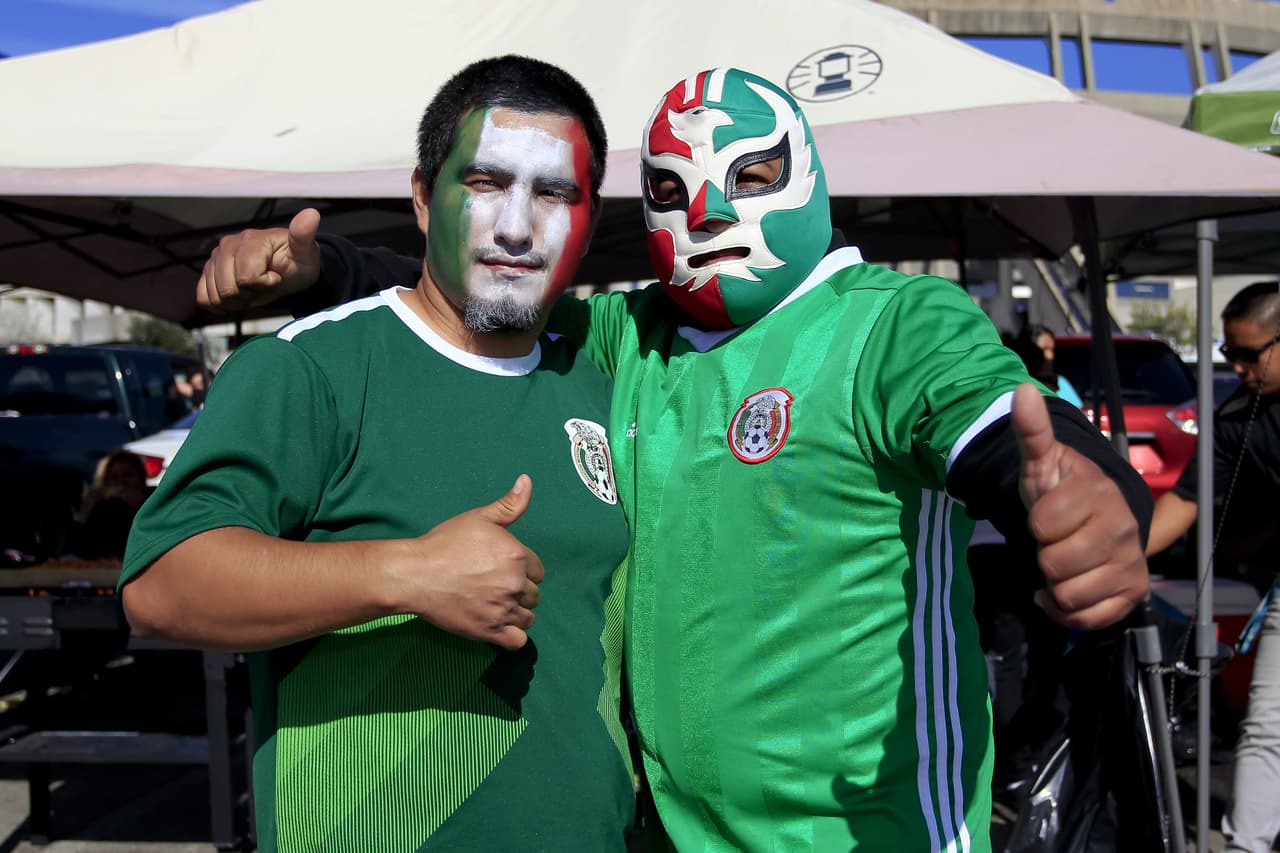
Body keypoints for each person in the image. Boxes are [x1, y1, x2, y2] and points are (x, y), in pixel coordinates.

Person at [195, 67, 1151, 851]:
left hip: (872, 834)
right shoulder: (630, 334)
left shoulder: (892, 324)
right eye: (668, 188)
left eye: (748, 173)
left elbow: (1001, 434)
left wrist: (1077, 504)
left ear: (806, 173)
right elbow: (478, 282)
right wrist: (319, 270)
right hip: (667, 836)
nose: (704, 210)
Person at [120, 56, 637, 852]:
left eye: (554, 193)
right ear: (425, 198)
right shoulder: (310, 367)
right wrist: (404, 573)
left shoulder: (599, 379)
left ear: (591, 220)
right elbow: (160, 584)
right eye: (489, 182)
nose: (515, 226)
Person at [1147, 280, 1280, 853]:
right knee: (1265, 724)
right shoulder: (1235, 419)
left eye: (1250, 354)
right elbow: (1187, 499)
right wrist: (1121, 551)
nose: (1238, 367)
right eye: (1230, 353)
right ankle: (1247, 845)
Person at [72, 449, 151, 559]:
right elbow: (80, 550)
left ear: (141, 479)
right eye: (114, 477)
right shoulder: (101, 509)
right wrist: (85, 513)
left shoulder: (152, 506)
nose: (121, 482)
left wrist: (136, 507)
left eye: (128, 475)